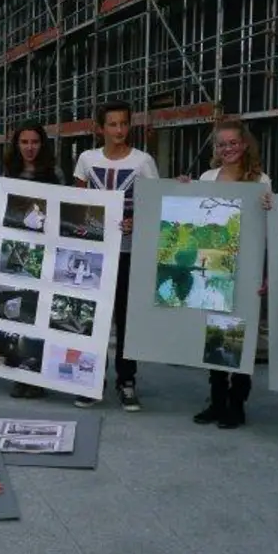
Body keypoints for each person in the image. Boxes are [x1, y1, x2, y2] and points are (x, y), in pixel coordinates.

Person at [172, 117, 276, 429]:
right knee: (216, 336)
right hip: (214, 266)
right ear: (215, 148)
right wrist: (183, 190)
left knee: (240, 337)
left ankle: (237, 403)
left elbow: (269, 232)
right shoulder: (207, 176)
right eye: (222, 144)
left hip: (248, 268)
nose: (228, 148)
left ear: (245, 144)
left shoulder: (261, 181)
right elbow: (194, 216)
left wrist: (268, 273)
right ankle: (217, 400)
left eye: (233, 142)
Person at [73, 101, 159, 411]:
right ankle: (91, 379)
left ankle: (127, 380)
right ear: (100, 128)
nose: (119, 130)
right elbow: (77, 203)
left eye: (124, 123)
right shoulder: (86, 159)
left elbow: (153, 203)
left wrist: (136, 221)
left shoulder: (143, 161)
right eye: (112, 124)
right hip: (95, 252)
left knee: (126, 318)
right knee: (92, 317)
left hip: (129, 252)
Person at [2, 121, 62, 399]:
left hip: (45, 255)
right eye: (24, 142)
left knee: (40, 315)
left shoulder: (55, 174)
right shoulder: (8, 174)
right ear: (17, 145)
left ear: (43, 144)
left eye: (34, 142)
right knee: (19, 312)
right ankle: (19, 373)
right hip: (16, 253)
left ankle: (37, 376)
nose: (29, 148)